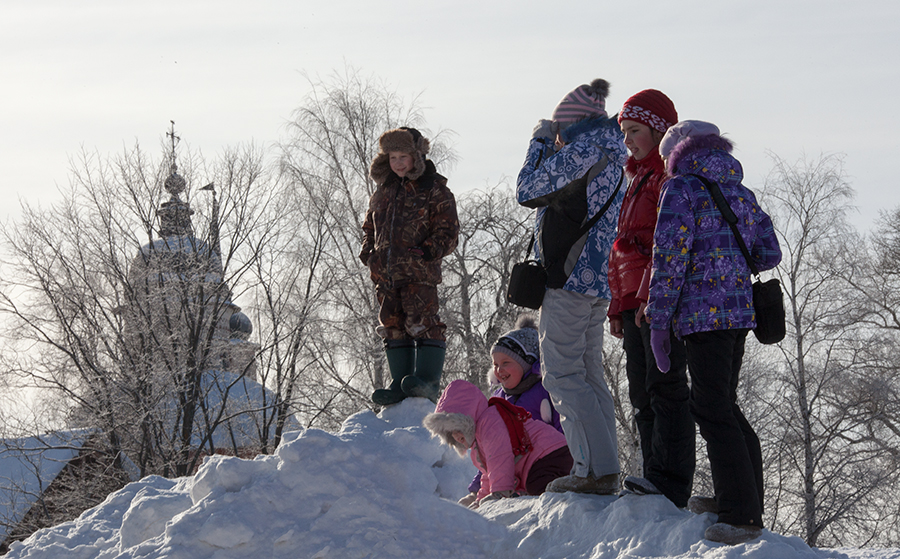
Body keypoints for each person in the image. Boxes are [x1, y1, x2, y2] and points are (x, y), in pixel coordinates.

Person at [647, 120, 782, 545]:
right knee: (723, 405)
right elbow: (769, 252)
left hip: (702, 315)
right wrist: (730, 258)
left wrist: (658, 320)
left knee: (711, 408)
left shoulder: (681, 188)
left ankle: (741, 514)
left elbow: (669, 257)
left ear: (677, 153)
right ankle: (741, 498)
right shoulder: (741, 192)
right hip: (740, 313)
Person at [516, 79, 626, 495]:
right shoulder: (613, 154)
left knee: (562, 375)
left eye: (560, 127)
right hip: (597, 280)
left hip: (569, 278)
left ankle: (590, 470)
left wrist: (540, 142)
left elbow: (527, 190)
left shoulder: (582, 151)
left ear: (571, 124)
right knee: (589, 373)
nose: (557, 136)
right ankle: (604, 466)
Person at [607, 90, 694, 507]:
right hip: (631, 300)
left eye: (635, 131)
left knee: (665, 387)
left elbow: (665, 244)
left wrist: (648, 297)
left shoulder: (665, 178)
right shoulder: (636, 178)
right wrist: (617, 305)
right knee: (641, 392)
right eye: (624, 132)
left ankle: (671, 483)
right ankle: (651, 473)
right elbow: (619, 248)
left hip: (657, 298)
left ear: (659, 130)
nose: (627, 140)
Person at [360, 127, 459, 405]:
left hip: (419, 272)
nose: (398, 163)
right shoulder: (383, 191)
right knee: (392, 324)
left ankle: (427, 382)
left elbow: (448, 230)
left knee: (423, 322)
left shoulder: (434, 188)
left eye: (403, 156)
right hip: (385, 273)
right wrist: (369, 253)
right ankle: (399, 383)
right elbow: (369, 227)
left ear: (417, 156)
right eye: (393, 157)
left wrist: (427, 251)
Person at [459, 315, 564, 507]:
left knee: (538, 485)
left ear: (527, 363)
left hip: (549, 463)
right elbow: (490, 450)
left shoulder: (546, 390)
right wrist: (476, 492)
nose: (499, 370)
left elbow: (564, 429)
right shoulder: (497, 400)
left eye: (506, 363)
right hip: (517, 475)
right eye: (495, 365)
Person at [423, 380, 573, 508]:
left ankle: (572, 493)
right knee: (535, 485)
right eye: (450, 432)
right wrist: (480, 501)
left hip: (551, 453)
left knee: (538, 486)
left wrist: (500, 493)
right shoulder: (479, 440)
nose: (456, 435)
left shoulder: (489, 422)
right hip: (545, 457)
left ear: (469, 419)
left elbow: (500, 458)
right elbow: (490, 473)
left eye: (458, 427)